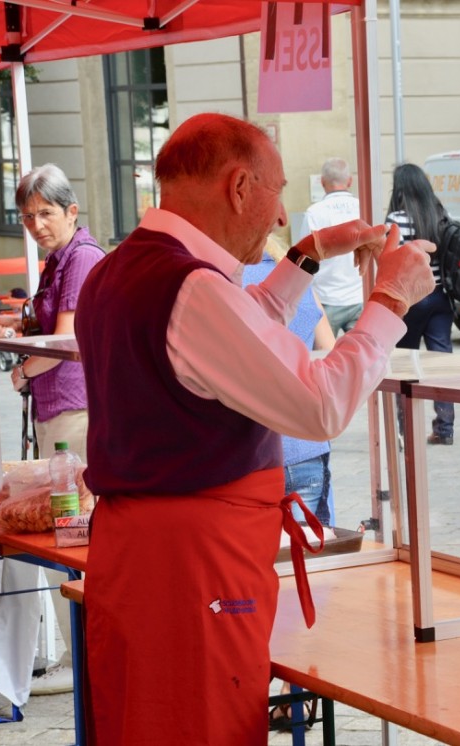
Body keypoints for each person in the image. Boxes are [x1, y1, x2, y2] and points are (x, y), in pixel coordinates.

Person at [74, 112, 435, 744]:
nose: (277, 215)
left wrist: (306, 256)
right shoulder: (189, 286)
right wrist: (390, 302)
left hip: (138, 554)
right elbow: (318, 405)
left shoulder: (117, 269)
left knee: (142, 721)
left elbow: (233, 343)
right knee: (201, 727)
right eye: (276, 192)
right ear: (240, 188)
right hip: (192, 567)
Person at [0, 165, 105, 696]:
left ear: (71, 211)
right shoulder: (59, 260)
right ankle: (80, 655)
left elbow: (65, 340)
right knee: (66, 532)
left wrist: (20, 367)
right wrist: (5, 329)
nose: (36, 225)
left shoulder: (81, 258)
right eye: (29, 216)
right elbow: (39, 324)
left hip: (77, 412)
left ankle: (85, 658)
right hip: (59, 412)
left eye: (45, 213)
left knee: (76, 535)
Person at [242, 237, 337, 528]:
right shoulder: (301, 280)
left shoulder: (221, 281)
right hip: (306, 443)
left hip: (251, 452)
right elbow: (330, 351)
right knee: (310, 560)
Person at [386, 162, 456, 446]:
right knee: (442, 364)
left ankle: (404, 431)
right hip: (440, 298)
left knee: (404, 364)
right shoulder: (439, 214)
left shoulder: (396, 219)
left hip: (411, 300)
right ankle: (445, 429)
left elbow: (392, 258)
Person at [305, 157, 364, 337]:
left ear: (322, 182)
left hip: (326, 299)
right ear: (350, 180)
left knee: (323, 358)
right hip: (359, 297)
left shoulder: (314, 212)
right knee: (362, 358)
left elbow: (304, 257)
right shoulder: (364, 207)